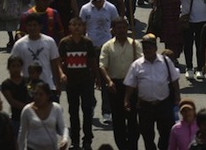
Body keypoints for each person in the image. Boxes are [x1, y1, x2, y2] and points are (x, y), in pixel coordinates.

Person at [124, 34, 181, 150]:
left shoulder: (166, 61)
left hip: (163, 104)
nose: (147, 50)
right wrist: (126, 99)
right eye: (145, 48)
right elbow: (130, 84)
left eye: (149, 47)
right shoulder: (136, 65)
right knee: (147, 135)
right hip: (145, 106)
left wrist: (177, 95)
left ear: (155, 48)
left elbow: (174, 79)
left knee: (166, 133)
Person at [100, 17, 143, 149]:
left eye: (124, 27)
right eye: (118, 28)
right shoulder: (107, 46)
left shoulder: (135, 44)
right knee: (118, 121)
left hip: (132, 86)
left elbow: (141, 63)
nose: (122, 30)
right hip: (115, 86)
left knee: (132, 121)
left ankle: (132, 146)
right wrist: (108, 81)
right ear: (112, 30)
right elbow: (102, 65)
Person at [57, 17, 97, 150]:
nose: (77, 28)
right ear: (69, 27)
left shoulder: (88, 43)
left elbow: (92, 61)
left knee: (87, 110)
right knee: (73, 111)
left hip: (86, 81)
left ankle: (87, 140)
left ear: (83, 27)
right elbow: (59, 61)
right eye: (74, 25)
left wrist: (96, 78)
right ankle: (75, 140)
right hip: (71, 83)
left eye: (79, 25)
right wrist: (61, 74)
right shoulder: (64, 43)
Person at [172, 0, 206, 81]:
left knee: (201, 44)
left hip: (203, 17)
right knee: (188, 44)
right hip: (187, 18)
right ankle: (189, 68)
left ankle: (200, 68)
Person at [11, 13, 61, 94]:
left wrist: (58, 84)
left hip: (48, 85)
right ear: (26, 27)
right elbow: (14, 67)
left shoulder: (49, 42)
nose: (32, 28)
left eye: (35, 25)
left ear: (40, 26)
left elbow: (54, 63)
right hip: (28, 87)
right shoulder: (19, 45)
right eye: (29, 25)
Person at [18, 81, 70, 150]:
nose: (38, 97)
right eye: (35, 94)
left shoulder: (56, 108)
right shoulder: (27, 110)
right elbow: (22, 133)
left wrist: (65, 139)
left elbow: (63, 128)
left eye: (41, 94)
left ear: (47, 96)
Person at [1, 55, 30, 136]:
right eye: (13, 66)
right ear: (8, 68)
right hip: (16, 119)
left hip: (31, 117)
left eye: (18, 66)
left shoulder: (28, 81)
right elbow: (12, 101)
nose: (16, 69)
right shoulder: (6, 84)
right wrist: (28, 107)